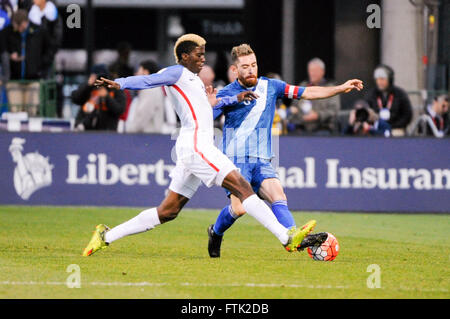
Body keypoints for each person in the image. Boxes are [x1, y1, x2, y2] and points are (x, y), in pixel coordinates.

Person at [82, 34, 319, 258]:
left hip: (193, 146)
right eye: (199, 54)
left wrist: (233, 98)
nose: (203, 59)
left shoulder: (193, 80)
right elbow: (148, 79)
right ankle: (286, 237)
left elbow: (206, 107)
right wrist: (120, 83)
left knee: (168, 211)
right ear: (185, 56)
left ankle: (106, 235)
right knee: (243, 187)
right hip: (196, 145)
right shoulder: (176, 72)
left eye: (204, 54)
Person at [208, 44, 364, 258]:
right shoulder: (227, 94)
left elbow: (307, 92)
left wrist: (339, 88)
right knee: (239, 208)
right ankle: (215, 232)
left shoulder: (271, 86)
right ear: (235, 70)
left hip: (262, 160)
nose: (251, 69)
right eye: (245, 66)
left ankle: (292, 237)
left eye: (253, 65)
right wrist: (208, 104)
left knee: (278, 195)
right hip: (236, 161)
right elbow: (205, 115)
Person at [4, 9, 52, 115]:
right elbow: (3, 50)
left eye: (18, 26)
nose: (16, 29)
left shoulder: (39, 32)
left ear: (25, 23)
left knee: (32, 112)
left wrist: (39, 66)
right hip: (14, 80)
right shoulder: (8, 32)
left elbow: (49, 51)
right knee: (15, 113)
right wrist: (10, 56)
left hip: (34, 79)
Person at [287, 58, 341, 135]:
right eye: (310, 71)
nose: (312, 73)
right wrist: (300, 115)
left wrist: (318, 115)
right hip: (302, 127)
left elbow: (334, 110)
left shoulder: (330, 89)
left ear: (322, 72)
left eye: (315, 71)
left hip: (324, 128)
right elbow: (294, 107)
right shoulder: (303, 86)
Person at [72, 64, 126, 131]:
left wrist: (107, 97)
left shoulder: (114, 88)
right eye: (95, 77)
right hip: (84, 129)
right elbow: (76, 99)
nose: (99, 81)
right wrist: (87, 86)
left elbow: (120, 110)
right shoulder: (88, 87)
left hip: (107, 131)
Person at [365, 65, 412, 137]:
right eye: (377, 79)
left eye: (382, 79)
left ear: (389, 79)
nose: (379, 82)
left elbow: (407, 115)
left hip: (396, 129)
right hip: (377, 129)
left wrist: (393, 126)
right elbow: (366, 112)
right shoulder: (371, 95)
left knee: (397, 134)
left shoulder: (400, 94)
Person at [124, 60, 166, 133]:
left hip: (148, 136)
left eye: (139, 71)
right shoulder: (152, 88)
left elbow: (144, 114)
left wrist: (131, 130)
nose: (136, 74)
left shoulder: (151, 89)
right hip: (148, 135)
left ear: (146, 72)